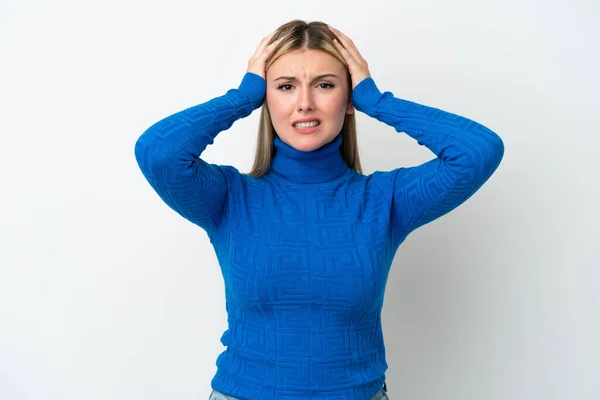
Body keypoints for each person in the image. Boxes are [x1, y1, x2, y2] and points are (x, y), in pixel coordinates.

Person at [134, 19, 504, 400]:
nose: (304, 103)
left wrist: (376, 100)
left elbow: (478, 152)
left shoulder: (384, 200)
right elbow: (158, 152)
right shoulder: (229, 198)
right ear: (267, 98)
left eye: (325, 85)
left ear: (348, 100)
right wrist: (242, 97)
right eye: (285, 86)